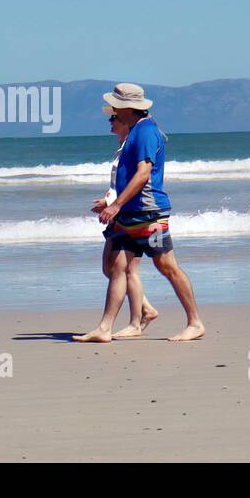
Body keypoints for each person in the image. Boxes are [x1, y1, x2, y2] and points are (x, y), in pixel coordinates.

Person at [74, 83, 205, 343]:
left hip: (149, 215)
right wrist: (113, 202)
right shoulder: (134, 131)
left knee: (166, 266)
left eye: (115, 108)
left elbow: (143, 174)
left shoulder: (146, 131)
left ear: (127, 108)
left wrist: (115, 205)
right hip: (128, 217)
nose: (112, 113)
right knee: (118, 267)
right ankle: (104, 328)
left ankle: (195, 322)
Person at [94, 107, 158, 338]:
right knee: (114, 268)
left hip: (131, 212)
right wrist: (107, 200)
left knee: (121, 268)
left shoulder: (132, 145)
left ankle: (139, 315)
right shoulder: (122, 148)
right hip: (121, 210)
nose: (110, 122)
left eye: (114, 117)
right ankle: (144, 310)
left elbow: (137, 180)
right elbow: (119, 184)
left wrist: (114, 204)